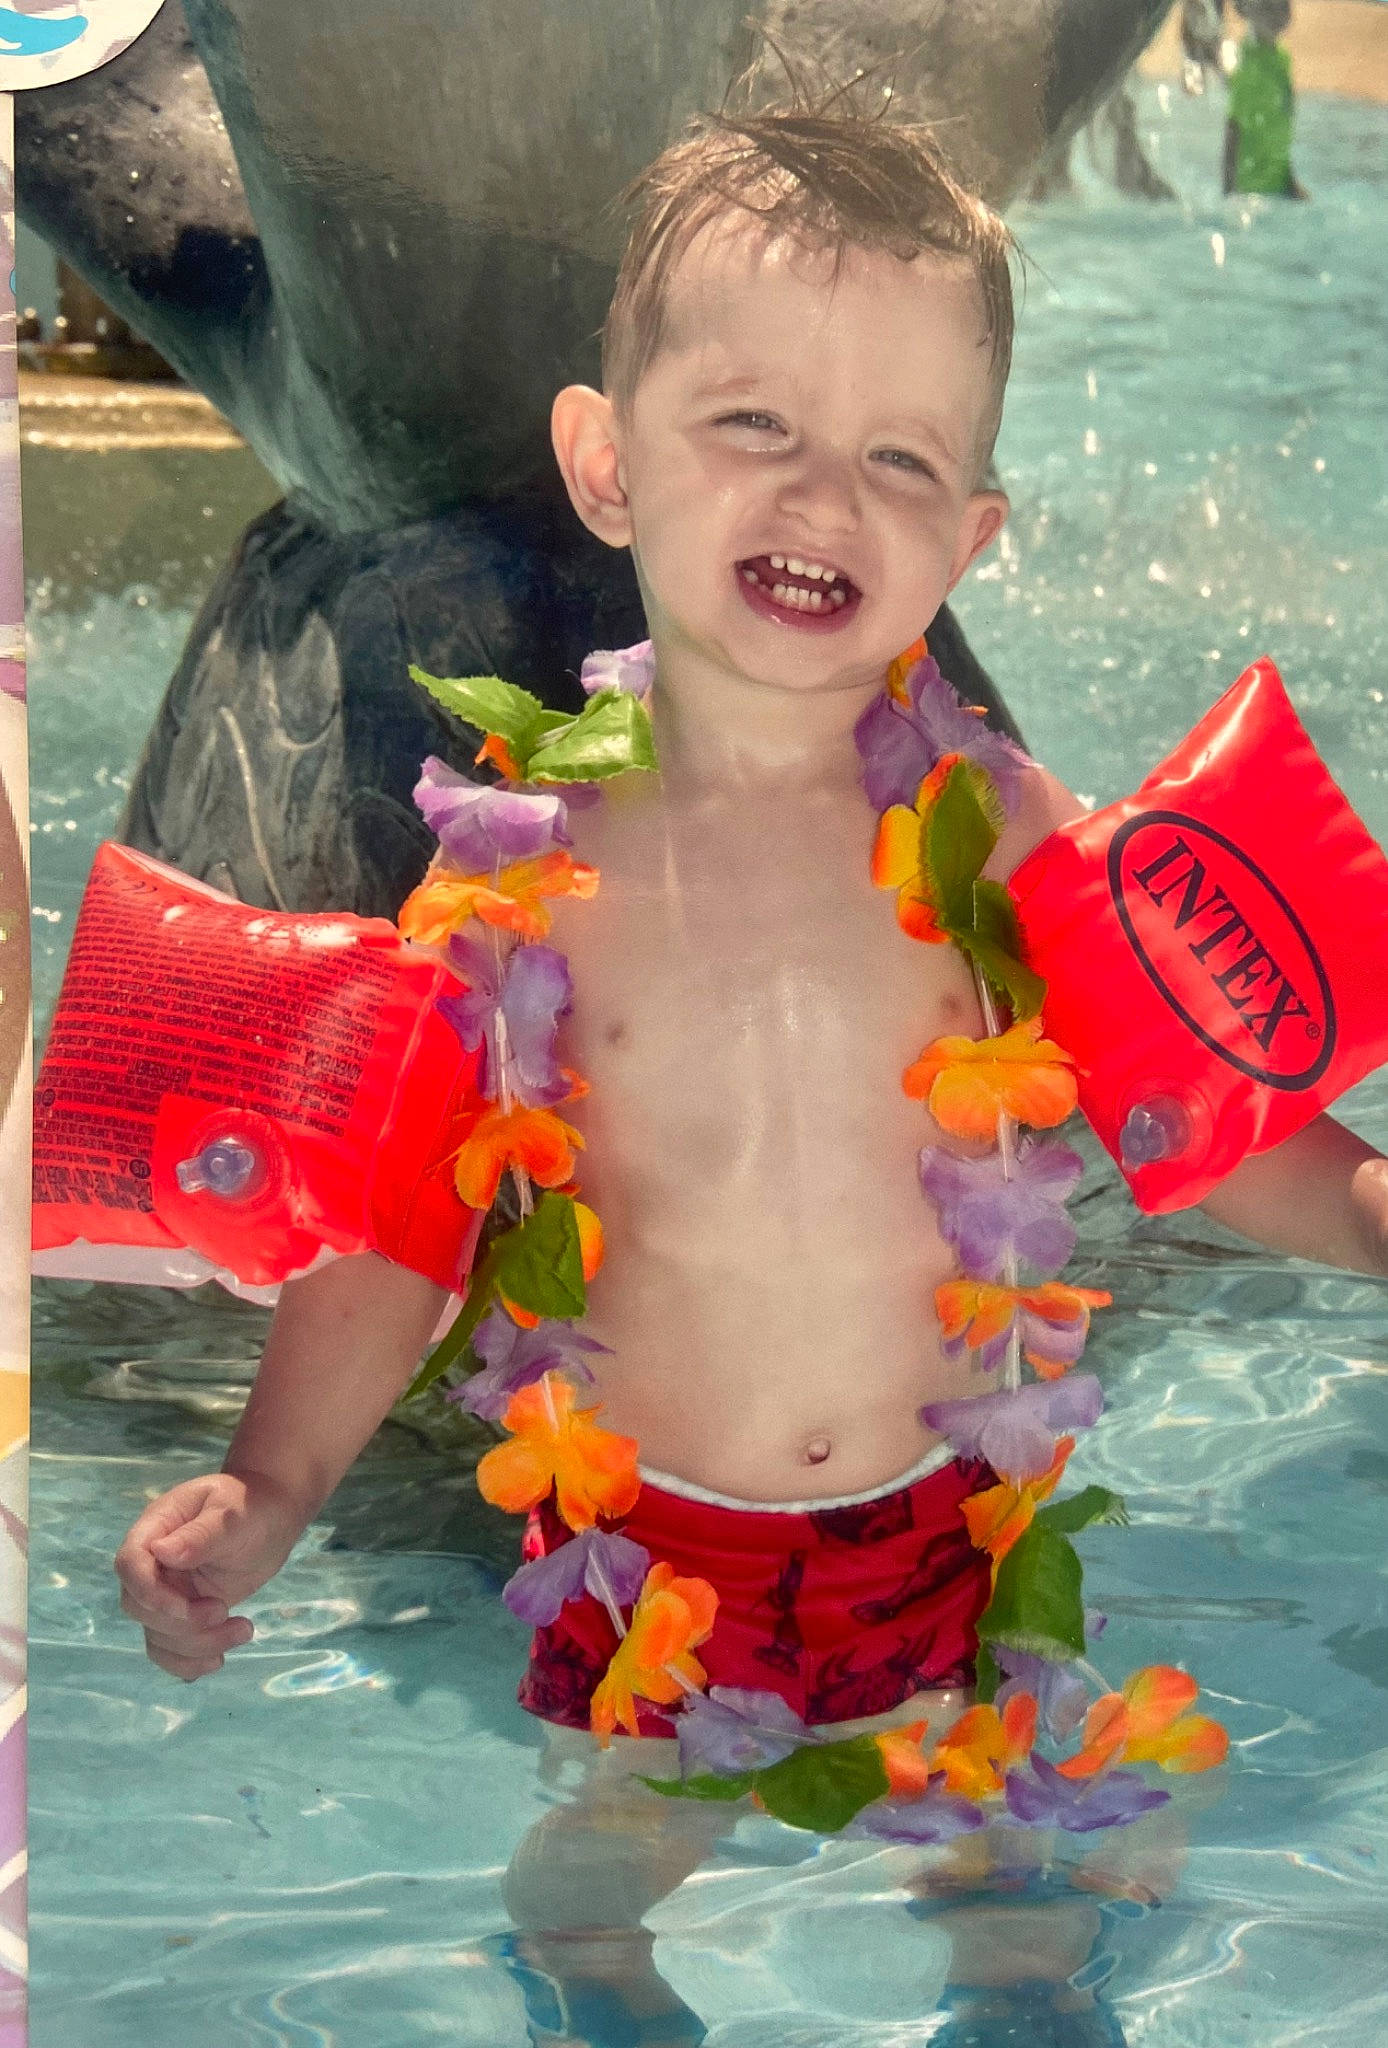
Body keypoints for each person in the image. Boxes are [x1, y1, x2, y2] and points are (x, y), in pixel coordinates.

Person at [114, 95, 1382, 2029]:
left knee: (1027, 1897)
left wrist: (1369, 1210)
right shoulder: (522, 882)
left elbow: (1187, 1117)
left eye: (896, 455)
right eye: (752, 424)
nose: (823, 495)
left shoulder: (996, 833)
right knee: (588, 1889)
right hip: (661, 1566)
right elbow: (401, 1228)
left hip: (946, 1535)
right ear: (606, 464)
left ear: (967, 534)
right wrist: (272, 1483)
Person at [1224, 0, 1308, 198]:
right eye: (1268, 6)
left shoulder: (1281, 58)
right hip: (1248, 188)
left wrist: (1289, 181)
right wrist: (1229, 191)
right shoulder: (1248, 63)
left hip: (1279, 185)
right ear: (1247, 10)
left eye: (1282, 5)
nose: (1277, 13)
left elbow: (1278, 128)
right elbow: (1233, 128)